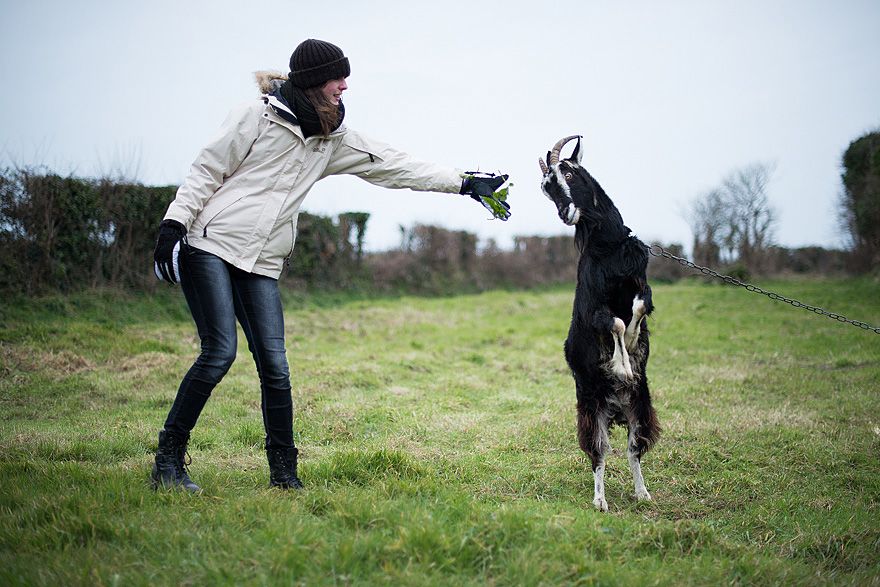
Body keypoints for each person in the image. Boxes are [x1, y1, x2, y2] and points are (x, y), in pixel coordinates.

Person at [151, 39, 511, 492]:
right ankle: (168, 461)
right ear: (312, 80)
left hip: (262, 259)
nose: (344, 86)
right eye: (337, 78)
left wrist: (463, 183)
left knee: (276, 368)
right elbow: (206, 169)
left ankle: (284, 474)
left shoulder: (331, 140)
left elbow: (394, 165)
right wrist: (173, 224)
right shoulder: (255, 117)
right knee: (220, 352)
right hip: (212, 242)